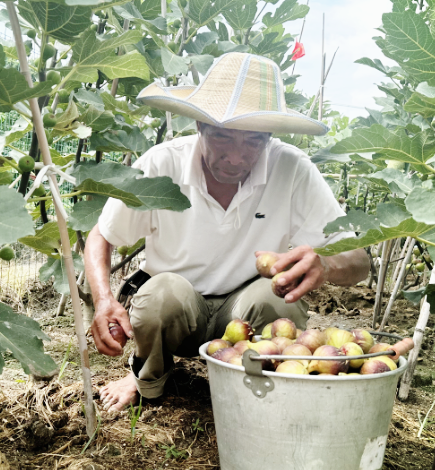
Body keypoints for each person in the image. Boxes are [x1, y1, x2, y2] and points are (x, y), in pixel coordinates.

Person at [84, 52, 369, 411]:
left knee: (276, 298)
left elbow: (360, 261)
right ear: (200, 127)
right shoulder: (162, 164)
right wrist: (103, 300)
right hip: (177, 315)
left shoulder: (292, 169)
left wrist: (326, 266)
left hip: (244, 313)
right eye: (222, 136)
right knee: (160, 296)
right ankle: (147, 380)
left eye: (253, 142)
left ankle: (259, 391)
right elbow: (102, 235)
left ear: (269, 136)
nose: (236, 156)